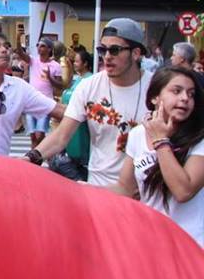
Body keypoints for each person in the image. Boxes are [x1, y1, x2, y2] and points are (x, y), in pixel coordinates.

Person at [28, 18, 153, 187]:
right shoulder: (88, 87)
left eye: (114, 50)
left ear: (136, 53)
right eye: (102, 50)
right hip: (99, 187)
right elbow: (61, 135)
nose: (107, 57)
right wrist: (32, 157)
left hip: (147, 191)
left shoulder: (157, 89)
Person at [108, 66, 204, 246]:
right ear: (155, 97)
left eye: (191, 94)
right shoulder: (137, 134)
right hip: (152, 242)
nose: (185, 98)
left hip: (191, 246)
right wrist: (80, 189)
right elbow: (125, 188)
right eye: (177, 91)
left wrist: (160, 140)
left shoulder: (200, 139)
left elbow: (183, 191)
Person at [48, 46, 94, 182]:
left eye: (77, 61)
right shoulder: (77, 79)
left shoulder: (89, 81)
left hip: (81, 136)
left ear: (85, 63)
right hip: (71, 135)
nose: (74, 64)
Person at [16, 38, 65, 150]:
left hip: (45, 103)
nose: (39, 47)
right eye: (38, 45)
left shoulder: (55, 65)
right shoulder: (34, 61)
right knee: (33, 136)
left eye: (42, 46)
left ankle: (39, 155)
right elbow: (20, 53)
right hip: (31, 102)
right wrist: (18, 40)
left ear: (49, 49)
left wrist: (50, 78)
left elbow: (60, 85)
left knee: (40, 135)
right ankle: (34, 159)